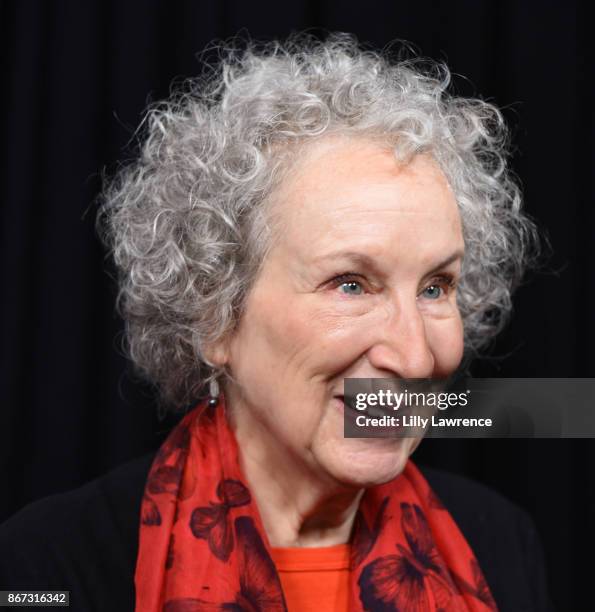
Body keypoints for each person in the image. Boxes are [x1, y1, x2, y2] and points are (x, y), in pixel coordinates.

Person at [0, 34, 553, 611]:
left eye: (436, 287)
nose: (415, 359)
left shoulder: (498, 543)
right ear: (216, 313)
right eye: (350, 284)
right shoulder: (47, 567)